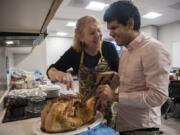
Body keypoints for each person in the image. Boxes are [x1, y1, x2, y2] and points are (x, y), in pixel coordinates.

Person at [96, 1, 171, 135]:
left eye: (114, 27)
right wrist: (114, 76)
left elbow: (158, 96)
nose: (111, 34)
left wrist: (116, 96)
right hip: (124, 124)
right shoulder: (126, 50)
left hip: (142, 128)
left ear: (130, 24)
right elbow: (132, 80)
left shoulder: (154, 49)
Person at [47, 16, 119, 97]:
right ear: (81, 37)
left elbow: (122, 75)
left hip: (107, 103)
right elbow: (50, 71)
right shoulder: (74, 52)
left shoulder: (109, 48)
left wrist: (114, 74)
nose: (98, 35)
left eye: (99, 30)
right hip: (84, 106)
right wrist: (59, 74)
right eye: (92, 33)